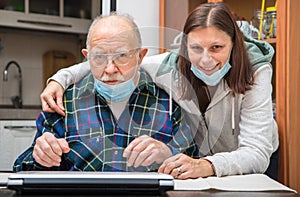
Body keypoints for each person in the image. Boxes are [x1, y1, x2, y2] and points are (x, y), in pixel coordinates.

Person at [39, 3, 279, 179]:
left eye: (216, 47)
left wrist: (206, 165)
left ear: (234, 45)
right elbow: (116, 61)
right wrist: (59, 79)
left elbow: (256, 153)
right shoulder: (169, 69)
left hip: (248, 164)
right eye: (196, 48)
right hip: (200, 169)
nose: (205, 59)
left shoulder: (255, 73)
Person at [13, 13, 199, 172]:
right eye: (99, 57)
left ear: (140, 56)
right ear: (87, 57)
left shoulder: (169, 104)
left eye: (122, 56)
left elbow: (195, 163)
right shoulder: (64, 103)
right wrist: (40, 155)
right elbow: (22, 168)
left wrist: (169, 154)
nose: (110, 69)